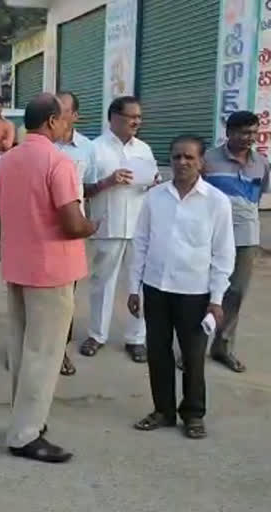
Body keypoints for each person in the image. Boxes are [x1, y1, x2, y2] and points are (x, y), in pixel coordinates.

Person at [0, 93, 96, 463]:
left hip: (19, 264)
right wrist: (92, 225)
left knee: (23, 349)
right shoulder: (59, 162)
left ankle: (25, 420)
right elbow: (71, 223)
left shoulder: (6, 162)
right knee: (44, 353)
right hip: (52, 270)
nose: (70, 124)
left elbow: (2, 215)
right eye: (67, 118)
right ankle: (25, 434)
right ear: (53, 121)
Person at [129, 135, 234, 439]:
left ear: (202, 162)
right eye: (176, 157)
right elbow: (141, 242)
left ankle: (193, 413)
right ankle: (163, 410)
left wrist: (216, 299)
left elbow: (223, 254)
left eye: (189, 157)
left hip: (195, 292)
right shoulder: (155, 197)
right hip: (156, 288)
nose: (182, 162)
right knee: (158, 352)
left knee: (192, 356)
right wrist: (134, 288)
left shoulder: (217, 202)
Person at [81, 96, 158, 364]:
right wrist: (108, 182)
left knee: (139, 285)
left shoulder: (144, 149)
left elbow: (151, 181)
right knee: (103, 282)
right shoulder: (94, 149)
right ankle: (97, 334)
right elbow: (83, 189)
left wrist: (153, 182)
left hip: (139, 226)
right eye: (131, 117)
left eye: (139, 117)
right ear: (113, 117)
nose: (136, 121)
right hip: (108, 224)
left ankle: (136, 338)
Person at [203, 111, 270, 373]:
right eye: (243, 132)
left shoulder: (261, 163)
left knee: (236, 293)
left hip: (246, 237)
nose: (249, 138)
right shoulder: (208, 159)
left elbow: (258, 195)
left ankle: (222, 347)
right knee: (202, 291)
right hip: (210, 235)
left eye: (253, 132)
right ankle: (192, 348)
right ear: (228, 133)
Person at [55, 91, 94, 377]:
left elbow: (89, 187)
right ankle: (25, 350)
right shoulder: (40, 145)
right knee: (31, 295)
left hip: (70, 230)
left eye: (61, 110)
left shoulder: (88, 149)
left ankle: (61, 351)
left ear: (75, 116)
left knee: (66, 296)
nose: (54, 114)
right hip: (39, 227)